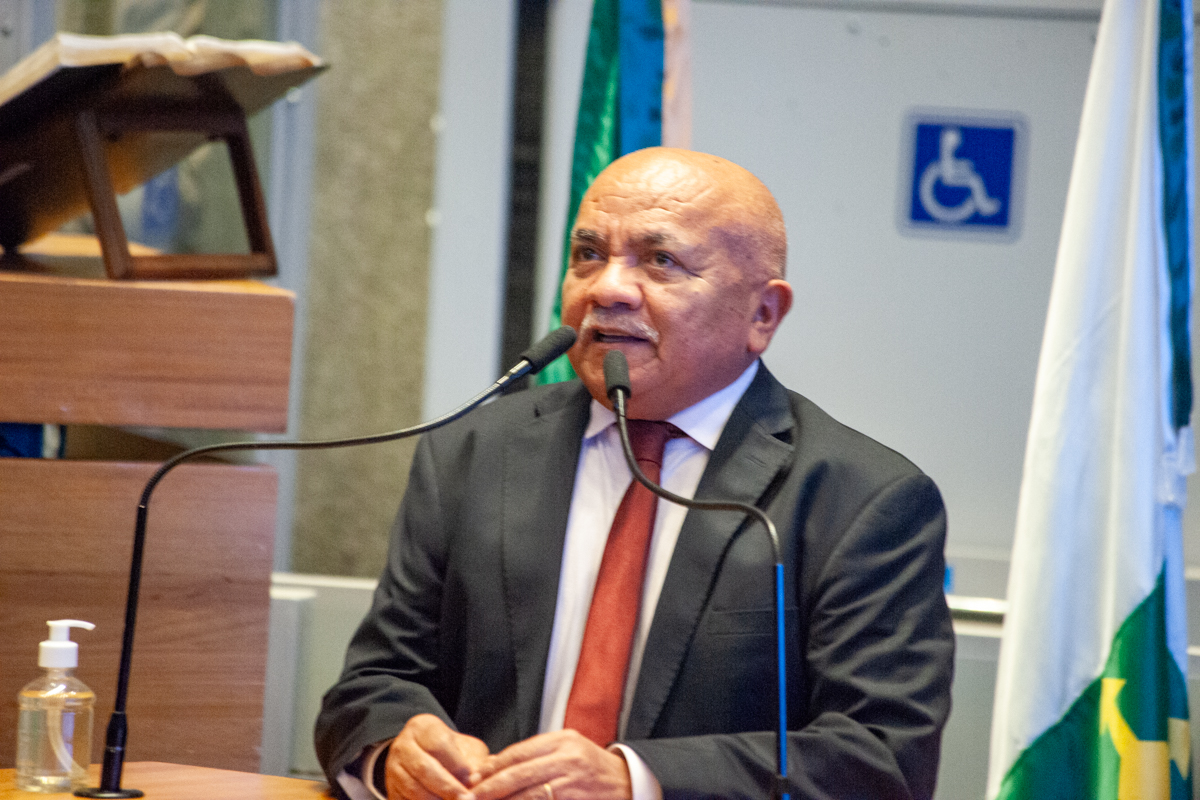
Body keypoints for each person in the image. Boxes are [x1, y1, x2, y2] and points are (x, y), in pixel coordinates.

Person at [315, 147, 954, 800]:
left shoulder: (863, 501)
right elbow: (373, 684)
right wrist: (393, 752)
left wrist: (633, 782)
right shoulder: (474, 452)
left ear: (762, 314)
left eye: (660, 260)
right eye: (588, 255)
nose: (606, 289)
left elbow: (881, 758)